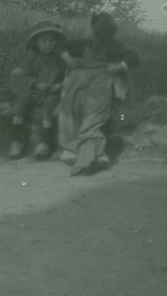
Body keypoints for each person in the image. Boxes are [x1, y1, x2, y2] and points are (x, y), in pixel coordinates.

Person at [57, 12, 140, 175]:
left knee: (96, 111)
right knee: (71, 103)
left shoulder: (116, 47)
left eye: (105, 34)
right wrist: (69, 59)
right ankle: (73, 147)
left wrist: (118, 67)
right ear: (93, 30)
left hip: (103, 85)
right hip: (81, 85)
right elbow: (60, 46)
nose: (99, 39)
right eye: (98, 34)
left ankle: (96, 152)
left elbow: (134, 58)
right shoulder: (83, 44)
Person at [8, 20, 68, 160]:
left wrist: (61, 85)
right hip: (33, 92)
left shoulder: (60, 58)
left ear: (56, 42)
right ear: (36, 42)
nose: (48, 44)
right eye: (44, 41)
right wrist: (36, 84)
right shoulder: (32, 57)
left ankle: (44, 144)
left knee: (48, 111)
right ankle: (17, 141)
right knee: (19, 107)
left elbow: (67, 75)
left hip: (52, 93)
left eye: (52, 40)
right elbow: (26, 76)